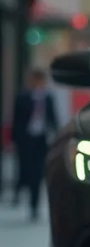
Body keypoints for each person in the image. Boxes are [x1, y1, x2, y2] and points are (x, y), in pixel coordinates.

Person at [11, 68, 58, 220]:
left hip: (41, 141)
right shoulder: (22, 98)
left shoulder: (48, 98)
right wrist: (13, 141)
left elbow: (53, 119)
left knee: (37, 173)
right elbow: (16, 121)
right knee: (24, 170)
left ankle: (34, 205)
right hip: (25, 141)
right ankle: (18, 191)